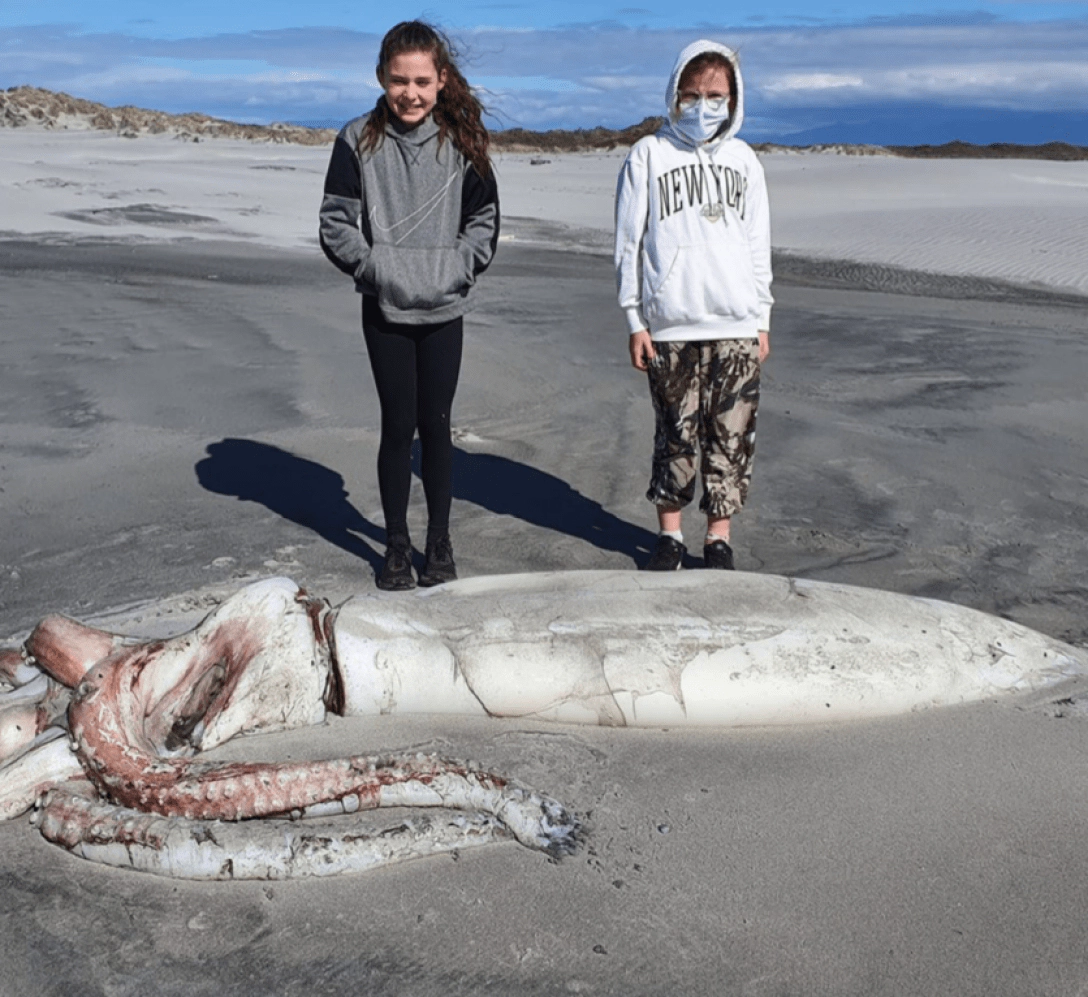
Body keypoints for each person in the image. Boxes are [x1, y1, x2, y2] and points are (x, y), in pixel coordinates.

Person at [319, 20, 499, 590]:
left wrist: (453, 271)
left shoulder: (463, 142)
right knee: (398, 427)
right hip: (386, 309)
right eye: (400, 81)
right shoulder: (357, 139)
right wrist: (378, 270)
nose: (411, 94)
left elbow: (485, 225)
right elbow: (334, 224)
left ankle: (439, 542)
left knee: (437, 428)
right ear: (381, 77)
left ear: (442, 80)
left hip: (445, 308)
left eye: (422, 80)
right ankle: (396, 546)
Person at [614, 39, 772, 572]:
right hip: (670, 325)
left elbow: (757, 243)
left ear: (733, 99)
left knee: (731, 435)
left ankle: (718, 539)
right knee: (675, 432)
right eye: (693, 94)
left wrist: (762, 318)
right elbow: (628, 243)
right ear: (674, 93)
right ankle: (671, 536)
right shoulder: (649, 155)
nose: (703, 105)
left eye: (715, 95)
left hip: (736, 322)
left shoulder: (744, 161)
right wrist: (635, 319)